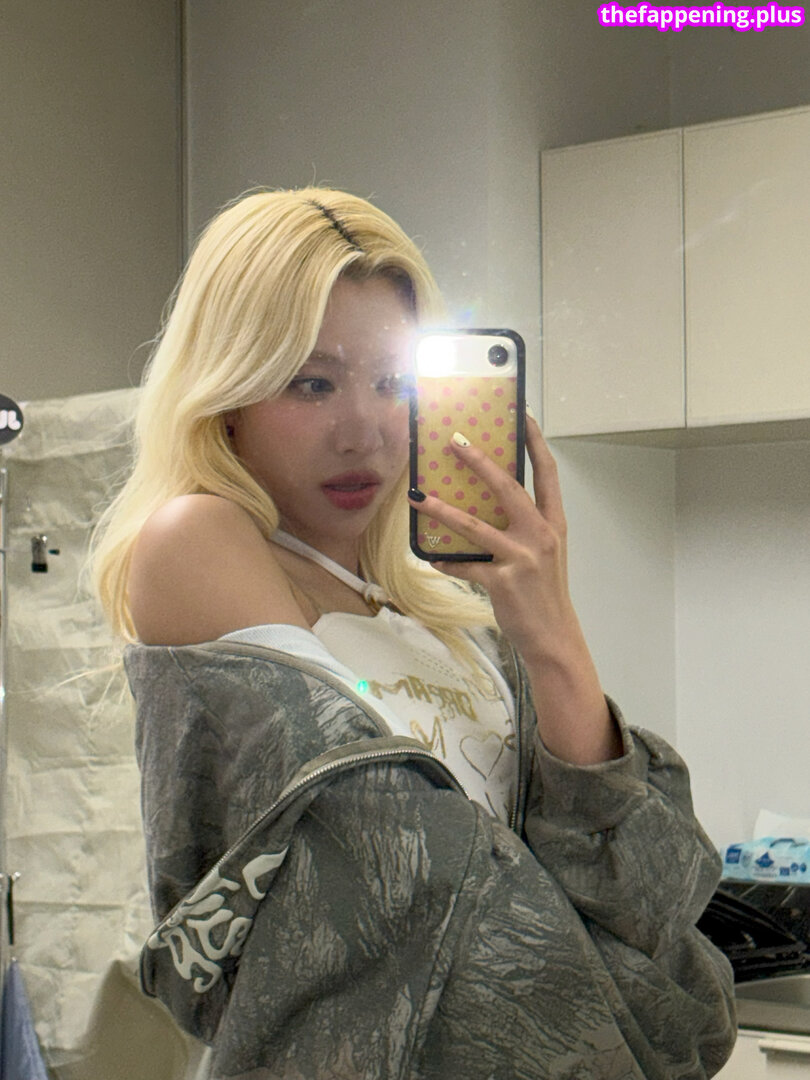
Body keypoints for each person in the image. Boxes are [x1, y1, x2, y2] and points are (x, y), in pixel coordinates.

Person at [92, 187, 735, 1079]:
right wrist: (634, 981)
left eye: (395, 382)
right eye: (313, 383)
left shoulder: (448, 615)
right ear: (229, 391)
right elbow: (401, 892)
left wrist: (552, 632)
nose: (364, 430)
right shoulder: (198, 542)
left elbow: (651, 897)